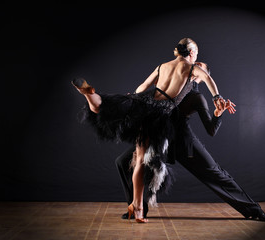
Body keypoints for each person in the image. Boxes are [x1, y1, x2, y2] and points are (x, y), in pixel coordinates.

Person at [72, 38, 235, 223]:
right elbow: (208, 78)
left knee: (105, 106)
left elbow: (142, 86)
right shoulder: (190, 68)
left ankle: (90, 95)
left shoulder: (162, 66)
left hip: (143, 102)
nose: (196, 59)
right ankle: (138, 207)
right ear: (191, 53)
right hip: (159, 113)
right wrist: (217, 97)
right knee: (141, 159)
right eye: (196, 54)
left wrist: (134, 99)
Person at [116, 62, 265, 222]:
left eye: (198, 67)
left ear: (202, 77)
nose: (192, 66)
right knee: (123, 162)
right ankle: (137, 208)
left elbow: (211, 130)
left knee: (216, 175)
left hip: (184, 144)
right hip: (159, 141)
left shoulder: (197, 97)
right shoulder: (167, 86)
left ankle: (254, 210)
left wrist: (218, 114)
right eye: (194, 64)